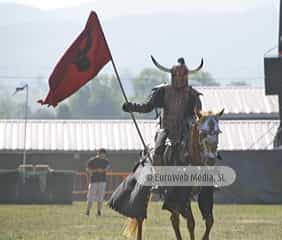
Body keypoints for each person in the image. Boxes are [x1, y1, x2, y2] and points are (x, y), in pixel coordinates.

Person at [122, 56, 203, 238]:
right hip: (165, 130)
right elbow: (147, 107)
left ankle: (200, 182)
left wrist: (192, 124)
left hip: (184, 131)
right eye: (177, 76)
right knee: (158, 150)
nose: (180, 79)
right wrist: (132, 107)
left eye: (183, 76)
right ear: (172, 75)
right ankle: (159, 180)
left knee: (202, 151)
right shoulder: (162, 91)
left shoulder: (193, 94)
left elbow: (197, 116)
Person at [85, 148, 110, 216]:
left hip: (102, 181)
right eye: (102, 154)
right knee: (90, 197)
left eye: (104, 154)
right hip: (93, 181)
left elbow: (108, 168)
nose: (103, 156)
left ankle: (99, 212)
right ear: (98, 153)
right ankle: (87, 211)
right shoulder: (92, 160)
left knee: (100, 197)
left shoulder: (106, 161)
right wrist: (96, 171)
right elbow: (87, 169)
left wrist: (104, 170)